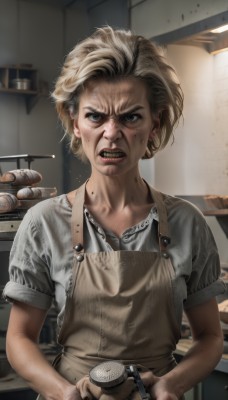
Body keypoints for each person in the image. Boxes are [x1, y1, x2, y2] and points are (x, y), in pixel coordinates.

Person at [3, 26, 225, 400]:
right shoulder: (43, 222)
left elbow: (209, 337)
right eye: (95, 117)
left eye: (130, 117)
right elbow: (20, 338)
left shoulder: (188, 223)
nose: (111, 133)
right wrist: (63, 393)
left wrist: (171, 385)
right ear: (75, 123)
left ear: (155, 124)